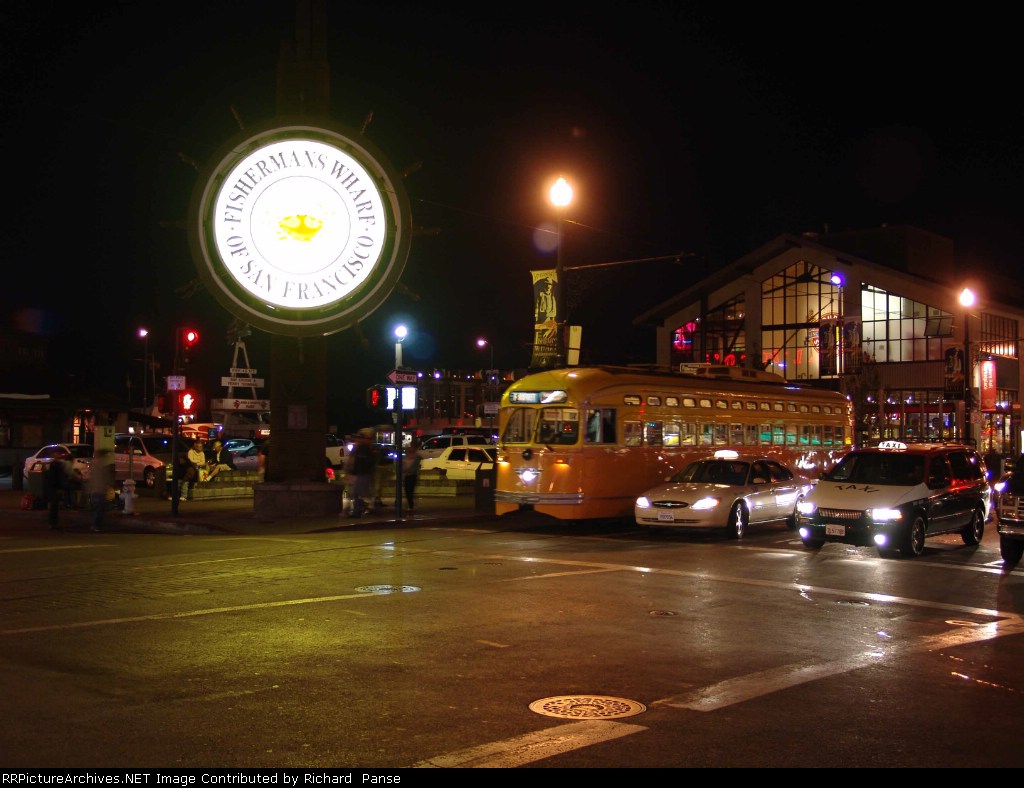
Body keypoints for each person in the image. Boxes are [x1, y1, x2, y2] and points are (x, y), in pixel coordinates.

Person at [348, 428, 376, 517]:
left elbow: (361, 462)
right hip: (362, 473)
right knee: (359, 492)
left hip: (362, 473)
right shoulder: (363, 448)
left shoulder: (363, 448)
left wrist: (354, 471)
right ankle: (361, 509)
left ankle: (358, 511)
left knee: (358, 492)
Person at [88, 450, 115, 532]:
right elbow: (104, 478)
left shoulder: (94, 464)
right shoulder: (101, 465)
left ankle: (96, 525)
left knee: (98, 508)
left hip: (95, 489)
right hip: (100, 489)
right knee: (99, 509)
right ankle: (95, 525)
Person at [46, 458, 70, 529]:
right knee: (54, 506)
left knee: (54, 506)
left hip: (53, 488)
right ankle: (53, 523)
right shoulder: (57, 467)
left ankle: (53, 523)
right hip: (55, 488)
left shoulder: (53, 466)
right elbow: (58, 478)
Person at [402, 438, 421, 513]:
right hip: (406, 475)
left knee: (410, 491)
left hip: (412, 475)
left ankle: (410, 505)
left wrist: (407, 470)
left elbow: (415, 467)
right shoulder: (405, 457)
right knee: (407, 491)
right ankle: (409, 504)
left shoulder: (416, 457)